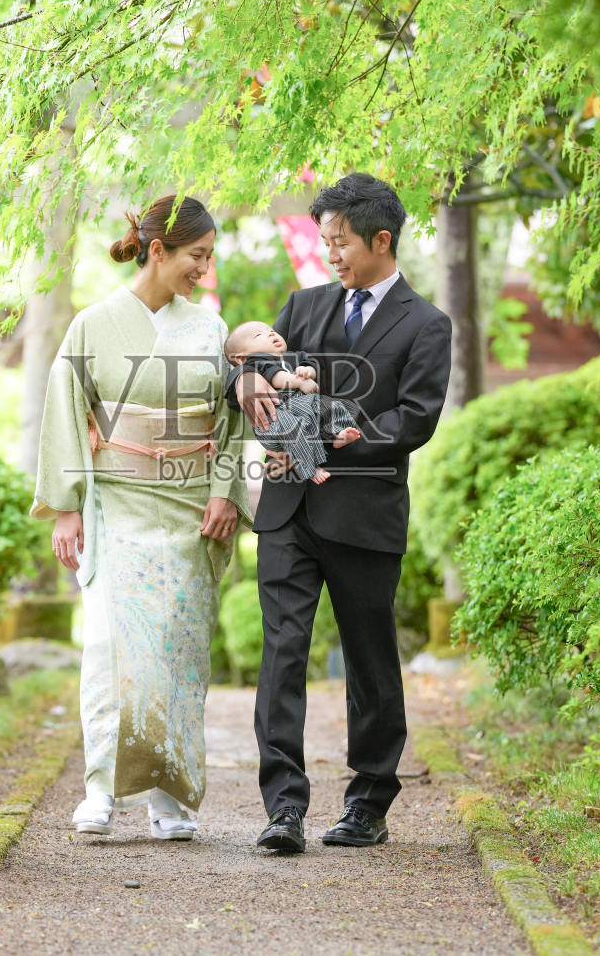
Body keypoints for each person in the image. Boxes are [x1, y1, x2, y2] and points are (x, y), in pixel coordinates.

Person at [231, 173, 451, 854]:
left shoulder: (427, 325)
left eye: (341, 242)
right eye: (324, 241)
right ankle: (284, 806)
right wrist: (241, 377)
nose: (330, 254)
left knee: (370, 661)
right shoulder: (304, 305)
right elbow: (261, 366)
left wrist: (338, 427)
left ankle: (368, 802)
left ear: (382, 240)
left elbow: (414, 418)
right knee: (283, 653)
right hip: (289, 508)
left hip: (364, 515)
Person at [31, 194, 250, 842]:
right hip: (115, 502)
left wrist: (225, 491)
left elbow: (231, 421)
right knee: (108, 645)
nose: (204, 270)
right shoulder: (94, 324)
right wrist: (65, 506)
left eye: (209, 257)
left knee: (178, 652)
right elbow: (66, 411)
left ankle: (170, 794)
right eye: (196, 256)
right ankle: (101, 786)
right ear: (158, 250)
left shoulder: (209, 328)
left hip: (187, 506)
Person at [221, 320, 362, 484]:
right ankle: (309, 468)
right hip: (274, 418)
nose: (271, 333)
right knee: (293, 430)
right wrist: (299, 382)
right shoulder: (256, 362)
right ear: (241, 358)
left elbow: (310, 364)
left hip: (300, 404)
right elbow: (276, 376)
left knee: (330, 406)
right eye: (259, 335)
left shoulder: (294, 356)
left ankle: (336, 433)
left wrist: (307, 371)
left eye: (271, 330)